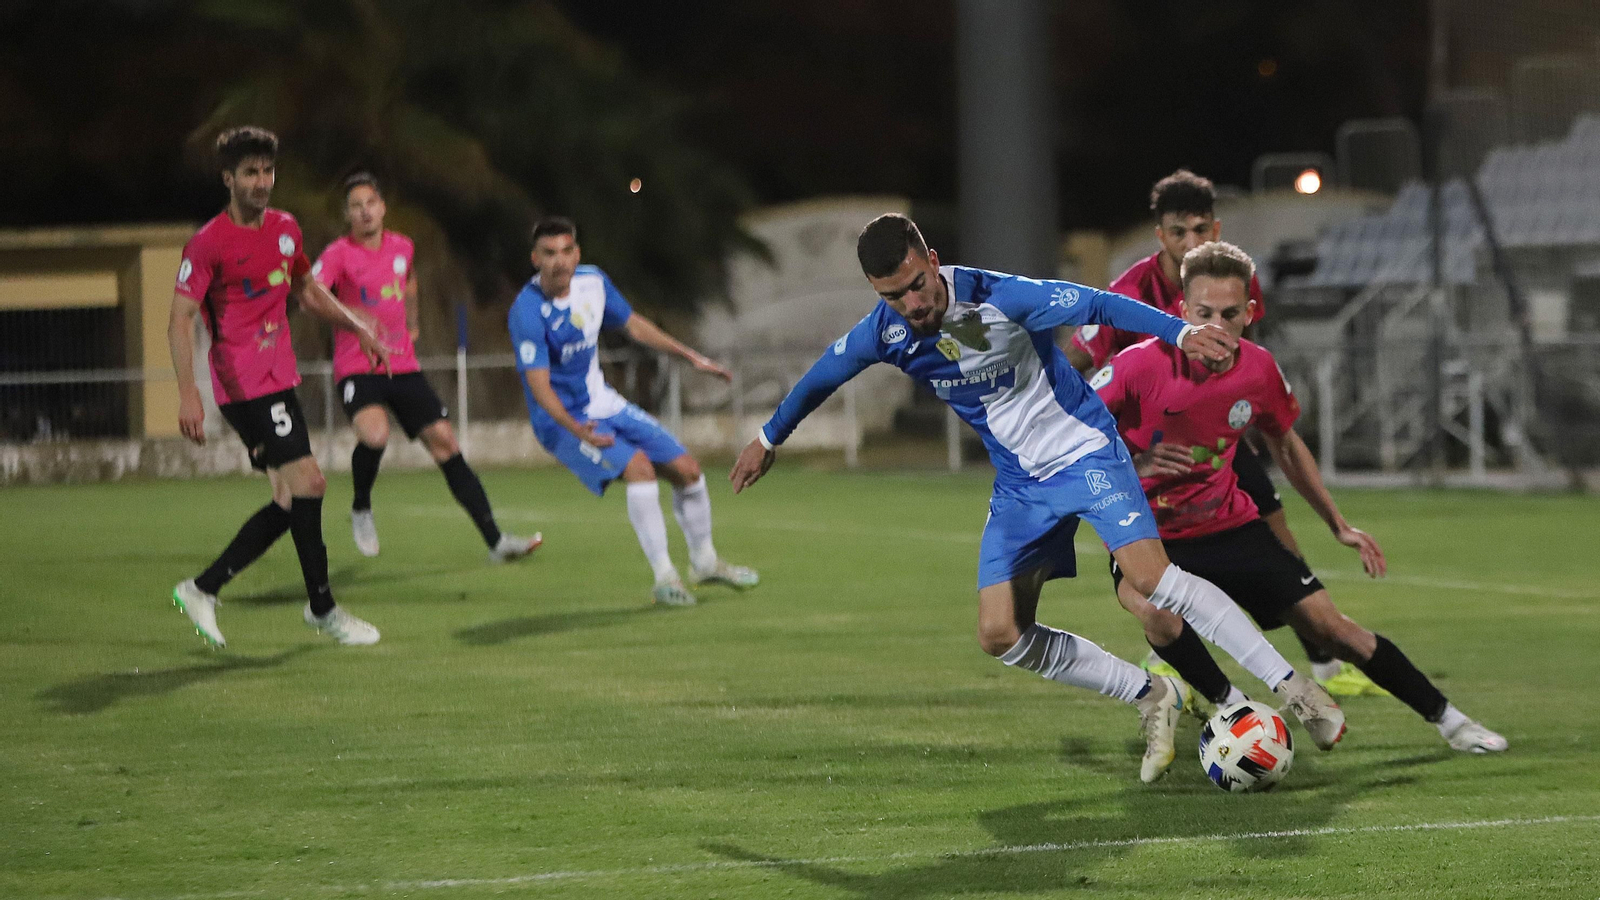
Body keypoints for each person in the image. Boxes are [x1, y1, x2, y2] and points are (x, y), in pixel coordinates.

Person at [730, 213, 1347, 783]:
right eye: (893, 295)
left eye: (918, 284)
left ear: (932, 260)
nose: (912, 303)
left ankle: (1294, 689)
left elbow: (1101, 305)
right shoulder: (886, 333)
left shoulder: (1000, 296)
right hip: (1022, 484)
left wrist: (1181, 331)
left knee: (1153, 579)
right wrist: (767, 437)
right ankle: (1153, 694)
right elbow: (821, 378)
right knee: (1000, 633)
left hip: (1085, 451)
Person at [1095, 241, 1506, 753]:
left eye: (1229, 314)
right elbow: (1071, 434)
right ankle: (1234, 711)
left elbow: (1286, 445)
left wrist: (1338, 523)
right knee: (1156, 612)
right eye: (1203, 314)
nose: (1216, 327)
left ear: (1248, 314)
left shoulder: (1259, 369)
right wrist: (1136, 464)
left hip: (1232, 528)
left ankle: (1452, 722)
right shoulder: (1137, 367)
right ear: (1181, 311)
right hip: (1148, 536)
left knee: (1335, 632)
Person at [1069, 169, 1380, 696]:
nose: (1191, 242)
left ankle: (1324, 659)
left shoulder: (1233, 279)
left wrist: (1244, 422)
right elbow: (1076, 359)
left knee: (1278, 533)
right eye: (1178, 231)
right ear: (1160, 236)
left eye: (1199, 230)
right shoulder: (1130, 294)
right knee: (1160, 565)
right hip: (1150, 450)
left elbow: (1241, 365)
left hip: (1216, 438)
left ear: (1213, 230)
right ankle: (1170, 653)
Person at [167, 126, 382, 648]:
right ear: (228, 178)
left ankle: (203, 588)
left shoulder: (286, 230)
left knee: (289, 500)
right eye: (249, 172)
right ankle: (323, 608)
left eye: (267, 171)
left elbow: (306, 290)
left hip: (279, 378)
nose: (262, 181)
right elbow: (180, 320)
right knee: (311, 484)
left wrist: (356, 325)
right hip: (243, 385)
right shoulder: (209, 242)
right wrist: (188, 393)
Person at [508, 217, 758, 606]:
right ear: (534, 258)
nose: (559, 262)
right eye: (548, 253)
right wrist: (579, 430)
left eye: (565, 251)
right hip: (561, 423)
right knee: (639, 467)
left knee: (688, 470)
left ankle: (705, 562)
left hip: (603, 403)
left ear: (577, 253)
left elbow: (634, 325)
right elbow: (540, 390)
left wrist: (689, 356)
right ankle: (665, 578)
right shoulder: (527, 310)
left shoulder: (593, 283)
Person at [313, 172, 540, 562]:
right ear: (348, 215)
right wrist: (356, 319)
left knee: (446, 443)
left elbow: (410, 280)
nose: (365, 211)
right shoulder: (337, 254)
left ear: (383, 207)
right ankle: (361, 506)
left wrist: (412, 322)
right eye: (356, 206)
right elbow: (313, 295)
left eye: (371, 202)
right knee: (375, 436)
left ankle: (496, 542)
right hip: (358, 365)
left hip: (402, 365)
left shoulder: (403, 247)